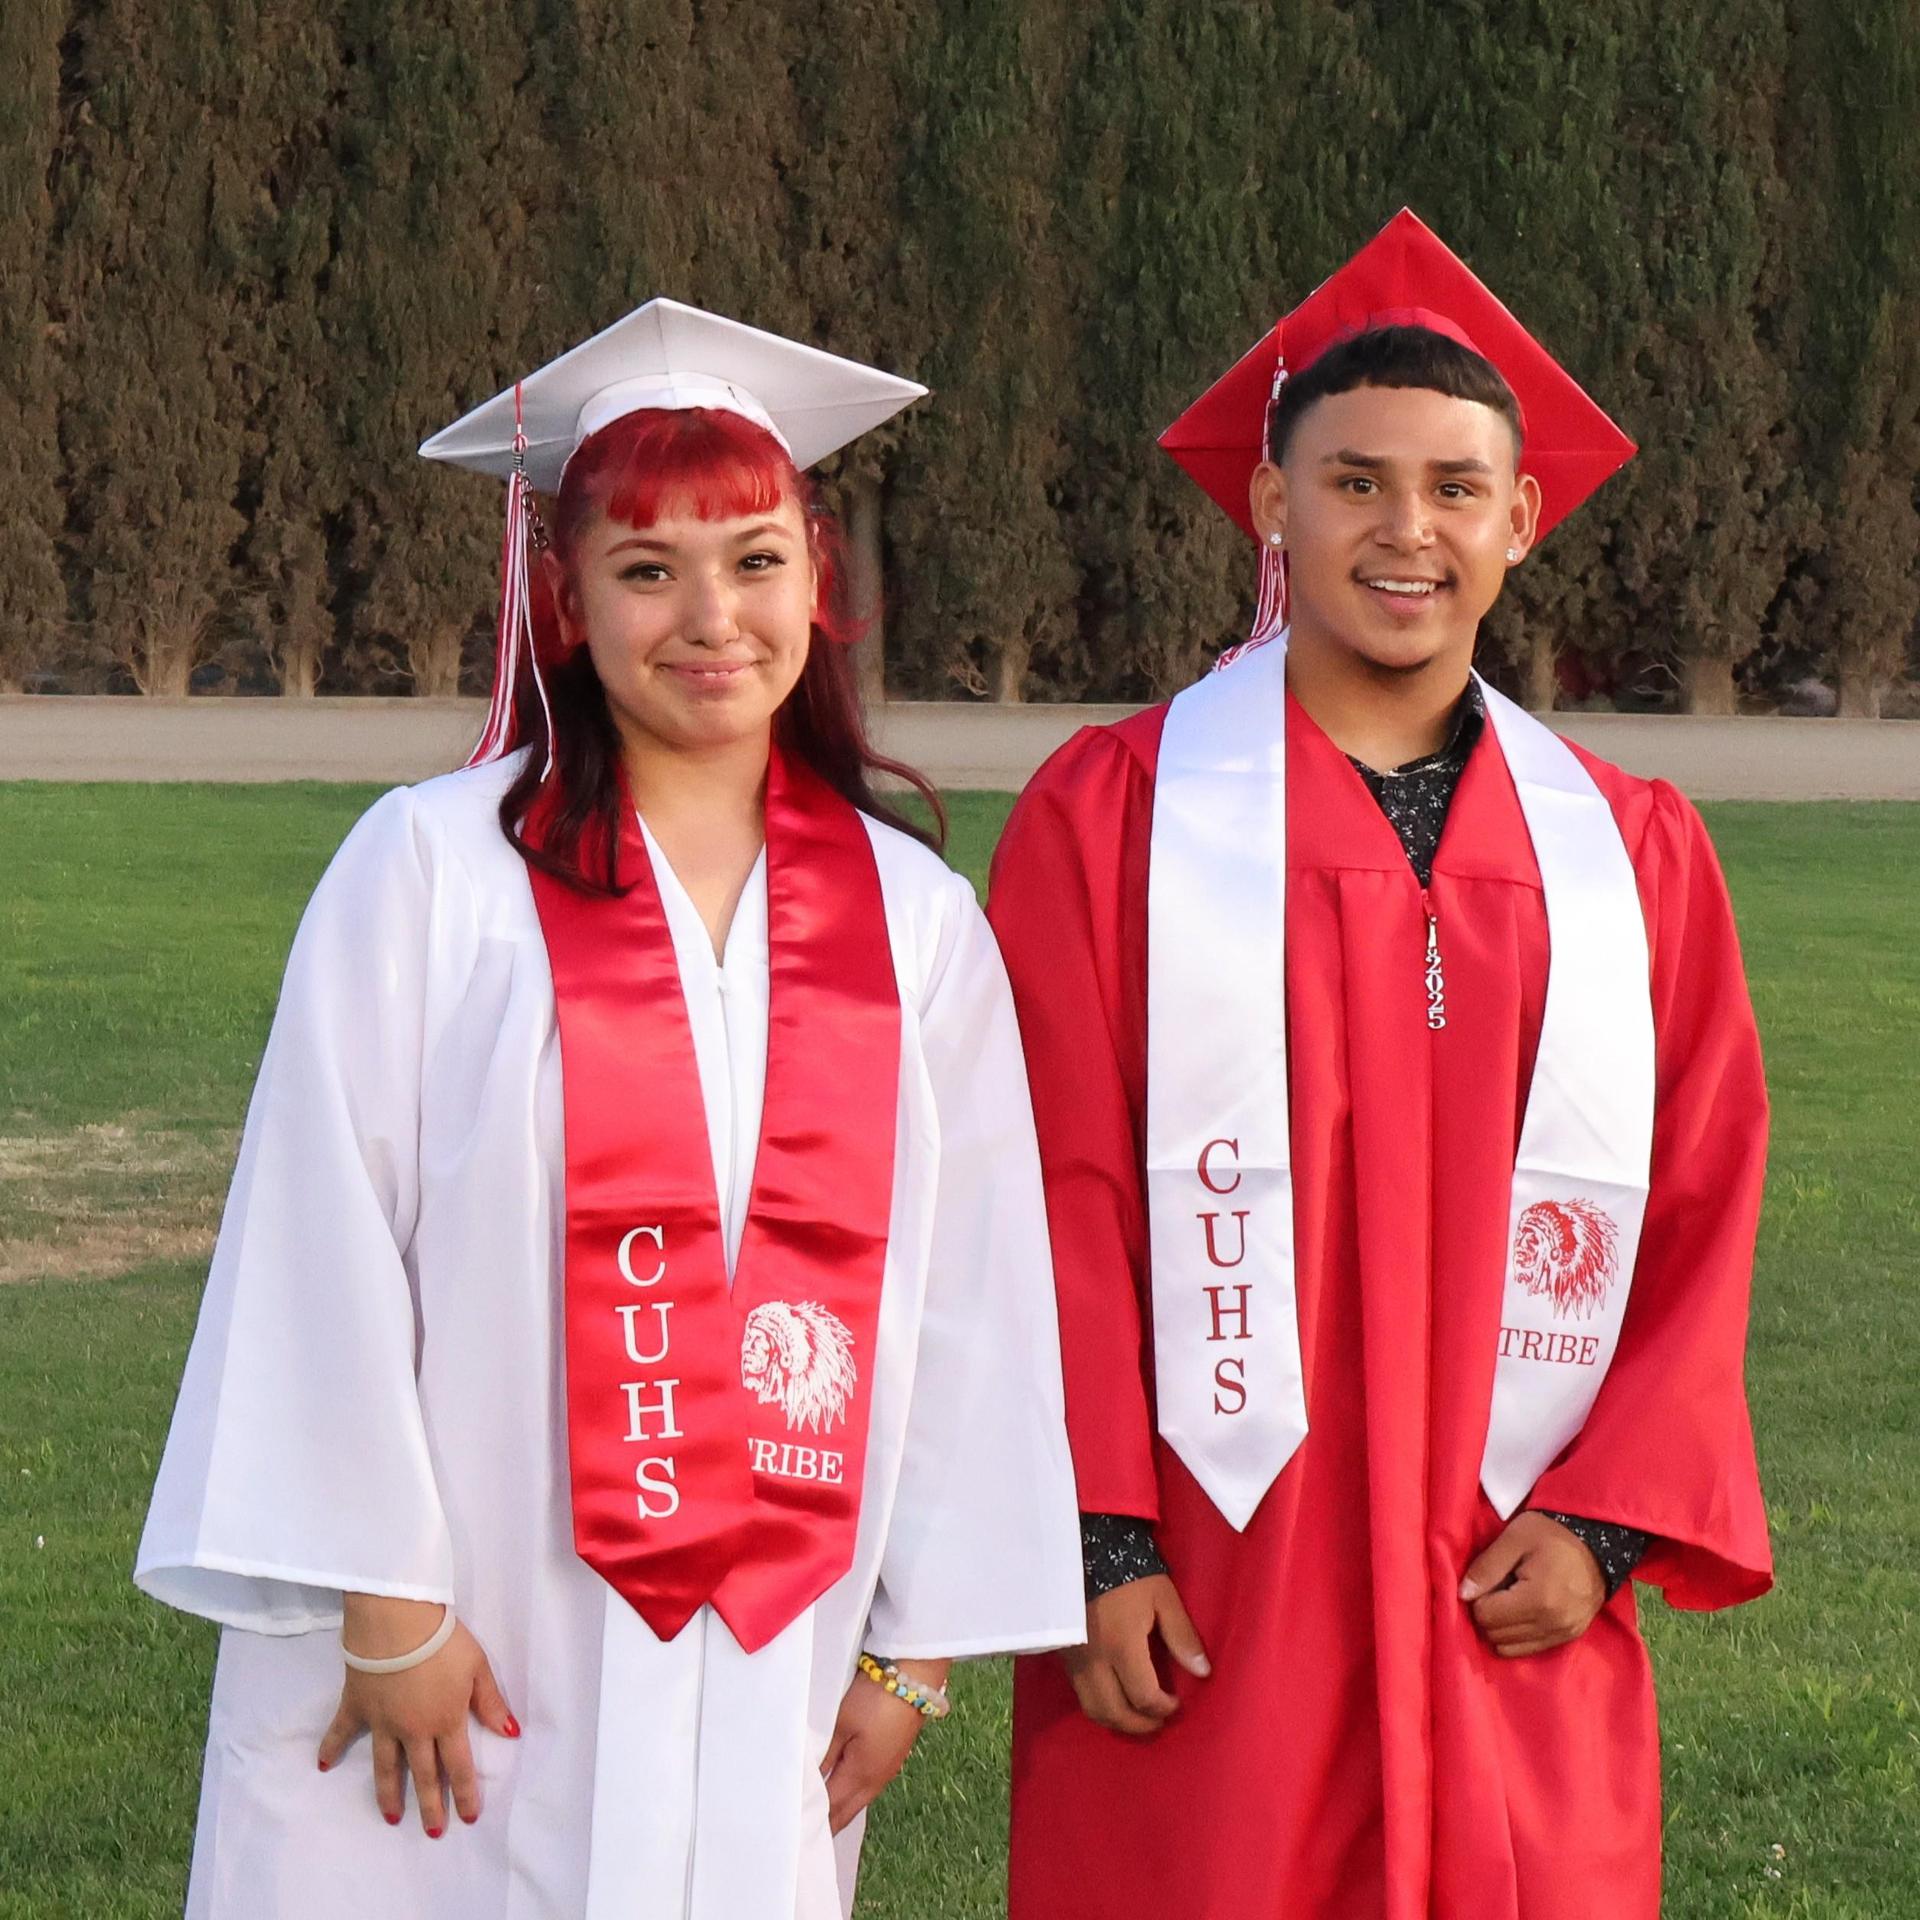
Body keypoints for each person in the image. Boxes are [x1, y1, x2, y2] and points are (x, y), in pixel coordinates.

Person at [136, 299, 1083, 1920]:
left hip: (768, 1638)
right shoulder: (433, 869)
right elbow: (319, 1235)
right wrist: (387, 1605)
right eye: (649, 569)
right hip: (466, 1634)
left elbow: (978, 1298)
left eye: (758, 558)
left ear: (819, 586)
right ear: (563, 603)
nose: (713, 616)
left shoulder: (915, 925)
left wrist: (916, 1652)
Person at [992, 211, 1772, 1920]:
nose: (1402, 529)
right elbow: (1047, 1188)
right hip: (1216, 1569)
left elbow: (1704, 1200)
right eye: (1351, 482)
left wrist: (1610, 1525)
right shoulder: (1111, 817)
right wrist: (1103, 1537)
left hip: (1510, 1566)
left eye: (1450, 488)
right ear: (1271, 504)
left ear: (1520, 519)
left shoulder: (1629, 851)